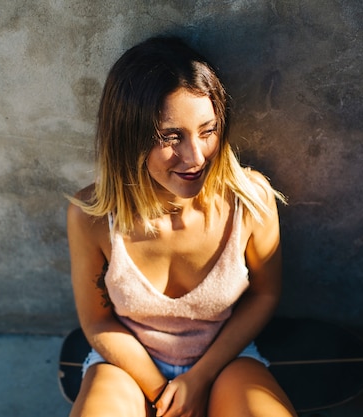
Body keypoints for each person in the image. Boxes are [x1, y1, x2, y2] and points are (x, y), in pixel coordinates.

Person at [66, 36, 296, 417]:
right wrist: (163, 394)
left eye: (207, 131)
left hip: (225, 361)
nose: (195, 157)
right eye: (170, 137)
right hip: (127, 368)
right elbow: (97, 321)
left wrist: (200, 378)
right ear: (129, 137)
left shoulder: (250, 200)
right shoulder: (91, 217)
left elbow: (265, 295)